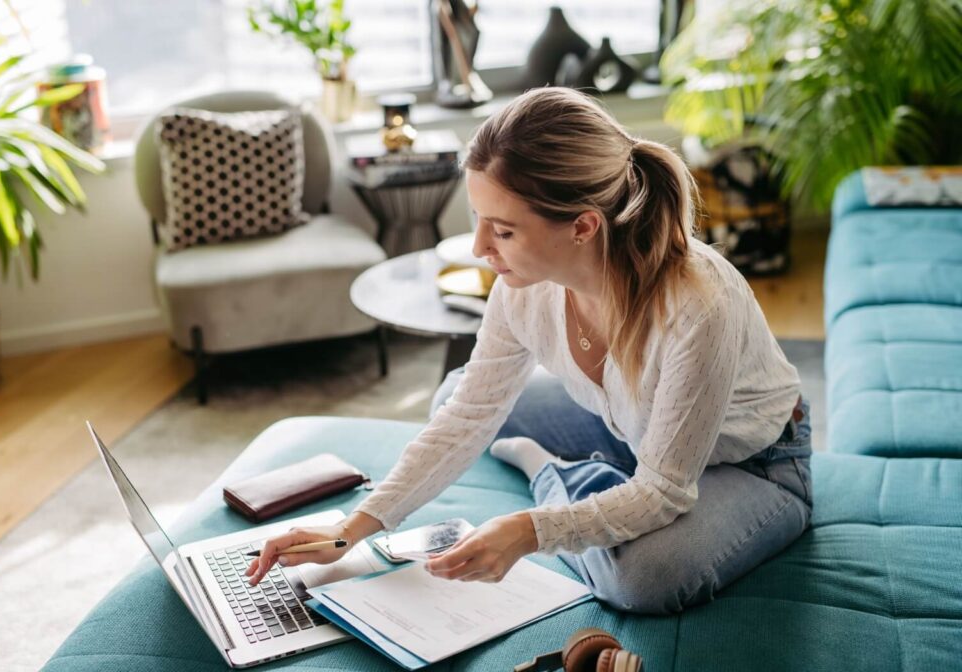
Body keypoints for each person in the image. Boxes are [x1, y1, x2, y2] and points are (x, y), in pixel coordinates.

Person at [246, 87, 812, 614]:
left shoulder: (697, 304)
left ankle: (553, 476)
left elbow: (664, 491)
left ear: (584, 227)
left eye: (504, 230)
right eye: (478, 220)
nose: (479, 247)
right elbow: (468, 416)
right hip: (630, 435)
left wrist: (529, 530)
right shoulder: (524, 289)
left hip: (754, 465)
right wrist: (353, 529)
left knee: (643, 579)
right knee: (454, 394)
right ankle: (595, 484)